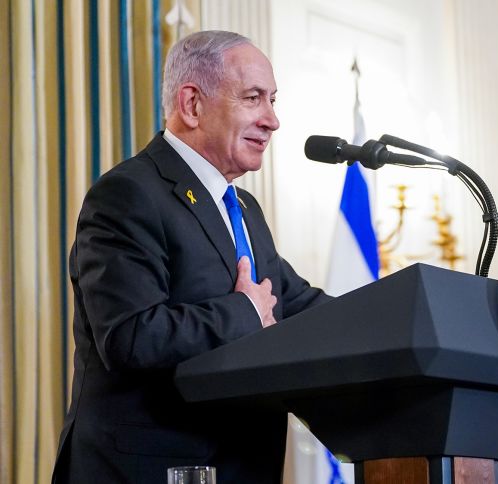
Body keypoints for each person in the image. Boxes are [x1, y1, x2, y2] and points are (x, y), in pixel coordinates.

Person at [52, 31, 330, 483]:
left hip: (241, 466)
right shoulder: (127, 194)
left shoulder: (242, 208)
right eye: (254, 98)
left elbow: (296, 303)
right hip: (146, 470)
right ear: (192, 105)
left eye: (273, 100)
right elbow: (130, 337)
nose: (272, 119)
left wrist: (400, 322)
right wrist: (242, 311)